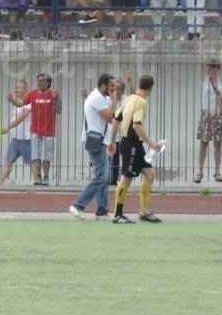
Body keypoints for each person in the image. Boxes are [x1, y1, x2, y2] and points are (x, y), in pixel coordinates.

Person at [108, 75, 164, 224]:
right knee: (126, 177)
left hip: (134, 145)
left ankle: (144, 211)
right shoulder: (140, 102)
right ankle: (117, 215)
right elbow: (136, 125)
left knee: (150, 174)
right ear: (151, 88)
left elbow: (115, 119)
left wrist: (112, 141)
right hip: (131, 144)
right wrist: (152, 144)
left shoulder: (129, 99)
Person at [69, 73, 118, 220]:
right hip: (97, 141)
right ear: (103, 86)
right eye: (111, 86)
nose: (113, 89)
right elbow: (111, 117)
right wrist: (115, 100)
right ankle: (78, 205)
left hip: (102, 141)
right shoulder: (97, 98)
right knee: (101, 176)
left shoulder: (101, 98)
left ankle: (102, 210)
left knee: (104, 177)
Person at [195, 38, 222, 184]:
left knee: (218, 144)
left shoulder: (221, 81)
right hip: (205, 115)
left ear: (217, 69)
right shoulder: (204, 79)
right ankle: (200, 171)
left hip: (218, 116)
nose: (211, 70)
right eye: (209, 67)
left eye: (213, 67)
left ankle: (217, 171)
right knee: (203, 143)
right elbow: (201, 62)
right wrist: (201, 44)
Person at [0, 79, 32, 189]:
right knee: (8, 161)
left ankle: (38, 183)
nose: (16, 89)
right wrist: (12, 99)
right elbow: (17, 104)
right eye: (16, 87)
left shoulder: (29, 103)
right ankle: (0, 183)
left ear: (25, 89)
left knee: (32, 163)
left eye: (19, 87)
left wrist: (7, 127)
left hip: (26, 139)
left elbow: (21, 117)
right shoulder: (19, 103)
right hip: (15, 139)